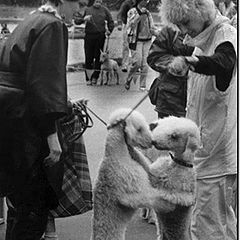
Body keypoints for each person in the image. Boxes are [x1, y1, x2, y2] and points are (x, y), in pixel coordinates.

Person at [0, 0, 80, 239]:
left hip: (9, 115)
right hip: (27, 121)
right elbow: (44, 81)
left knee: (18, 202)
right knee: (34, 207)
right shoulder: (53, 25)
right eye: (80, 3)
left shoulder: (31, 19)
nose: (80, 11)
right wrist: (52, 134)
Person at [160, 0, 237, 239]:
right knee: (214, 223)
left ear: (198, 10)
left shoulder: (226, 35)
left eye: (185, 22)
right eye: (179, 25)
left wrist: (192, 63)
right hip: (205, 152)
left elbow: (223, 61)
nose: (183, 30)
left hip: (217, 155)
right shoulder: (202, 40)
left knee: (209, 227)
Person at [147, 25, 194, 119]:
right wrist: (172, 63)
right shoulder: (171, 29)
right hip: (170, 98)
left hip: (201, 98)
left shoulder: (215, 30)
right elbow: (154, 56)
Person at [74, 0, 115, 85]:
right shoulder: (87, 10)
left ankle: (95, 77)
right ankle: (88, 78)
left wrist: (109, 30)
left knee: (98, 57)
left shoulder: (105, 10)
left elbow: (111, 21)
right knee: (88, 57)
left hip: (100, 36)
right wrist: (83, 19)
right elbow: (76, 21)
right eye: (96, 1)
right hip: (89, 36)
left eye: (100, 1)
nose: (98, 2)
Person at [124, 0, 158, 91]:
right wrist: (139, 14)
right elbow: (130, 25)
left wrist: (158, 33)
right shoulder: (132, 11)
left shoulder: (148, 13)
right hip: (136, 40)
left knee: (145, 64)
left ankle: (142, 85)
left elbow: (152, 26)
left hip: (147, 40)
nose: (146, 1)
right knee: (137, 63)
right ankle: (129, 79)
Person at [117, 0, 136, 72]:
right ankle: (124, 64)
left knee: (136, 46)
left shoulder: (140, 3)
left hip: (137, 27)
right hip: (127, 25)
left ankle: (135, 65)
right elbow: (120, 14)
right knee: (126, 46)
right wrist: (119, 23)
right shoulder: (126, 3)